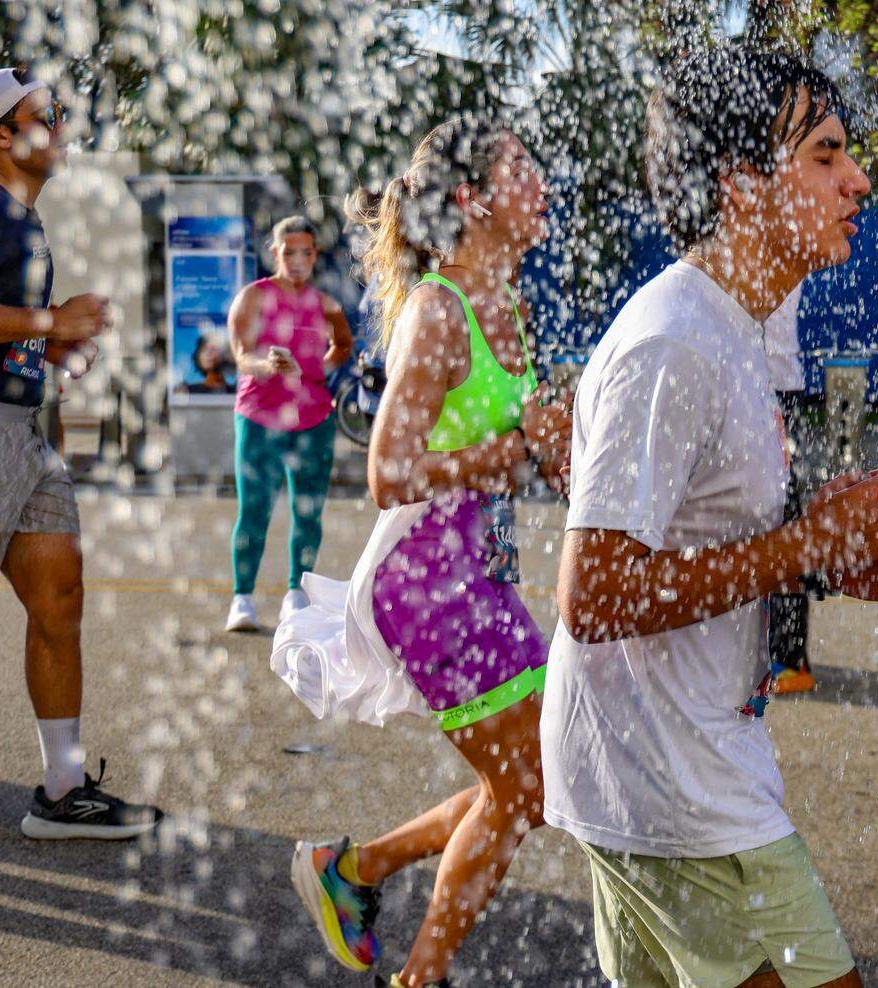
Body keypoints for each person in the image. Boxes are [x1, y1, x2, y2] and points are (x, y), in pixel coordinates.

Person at [541, 45, 878, 988]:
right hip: (675, 781)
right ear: (742, 184)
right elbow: (591, 594)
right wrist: (802, 544)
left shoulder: (731, 327)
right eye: (826, 155)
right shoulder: (675, 341)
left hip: (658, 764)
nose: (858, 178)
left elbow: (694, 541)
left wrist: (823, 561)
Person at [285, 118, 570, 988]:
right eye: (522, 168)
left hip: (474, 577)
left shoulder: (507, 299)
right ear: (471, 199)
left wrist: (554, 444)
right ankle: (420, 972)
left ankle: (356, 871)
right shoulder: (440, 313)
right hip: (425, 585)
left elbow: (509, 445)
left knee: (540, 779)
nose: (543, 180)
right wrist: (512, 450)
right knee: (531, 788)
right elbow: (387, 473)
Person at [0, 67, 162, 839]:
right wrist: (49, 320)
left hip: (23, 434)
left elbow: (1, 325)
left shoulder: (21, 219)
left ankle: (63, 789)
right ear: (0, 133)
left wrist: (56, 345)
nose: (61, 124)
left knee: (60, 596)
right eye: (45, 113)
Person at [224, 217, 354, 631]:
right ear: (275, 252)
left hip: (314, 418)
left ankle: (295, 592)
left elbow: (344, 345)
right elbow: (240, 355)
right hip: (259, 417)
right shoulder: (254, 297)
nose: (298, 260)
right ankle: (242, 597)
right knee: (254, 510)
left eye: (307, 252)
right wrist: (265, 365)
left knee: (308, 511)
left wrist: (319, 369)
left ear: (315, 255)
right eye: (289, 251)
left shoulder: (325, 303)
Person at [764, 282, 820, 694]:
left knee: (780, 523)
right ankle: (782, 654)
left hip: (773, 387)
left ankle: (788, 656)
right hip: (776, 384)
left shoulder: (770, 231)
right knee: (774, 520)